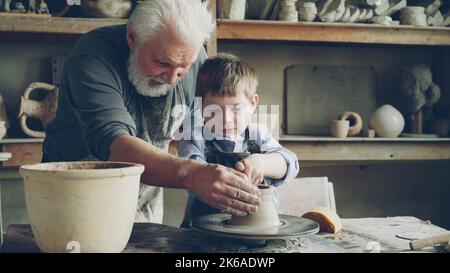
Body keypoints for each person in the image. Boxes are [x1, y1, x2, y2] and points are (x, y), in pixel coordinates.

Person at [42, 0, 261, 223]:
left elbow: (208, 132)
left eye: (184, 66)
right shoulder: (92, 57)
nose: (172, 78)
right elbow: (116, 148)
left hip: (146, 200)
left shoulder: (196, 64)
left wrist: (260, 161)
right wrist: (193, 174)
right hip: (77, 200)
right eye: (162, 62)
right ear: (132, 38)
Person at [178, 53, 299, 228]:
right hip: (204, 233)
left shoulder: (258, 134)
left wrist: (262, 163)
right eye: (215, 111)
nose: (226, 119)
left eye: (235, 109)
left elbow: (291, 164)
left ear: (253, 103)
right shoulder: (194, 138)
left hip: (257, 228)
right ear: (200, 107)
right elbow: (190, 174)